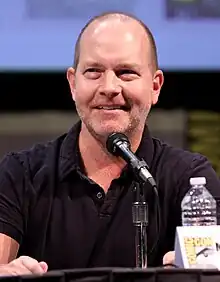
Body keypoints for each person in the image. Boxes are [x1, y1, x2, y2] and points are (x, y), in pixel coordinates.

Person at [0, 11, 219, 276]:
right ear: (73, 84)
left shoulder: (191, 180)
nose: (109, 87)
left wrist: (197, 274)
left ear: (155, 86)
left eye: (126, 72)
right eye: (94, 71)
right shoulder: (19, 174)